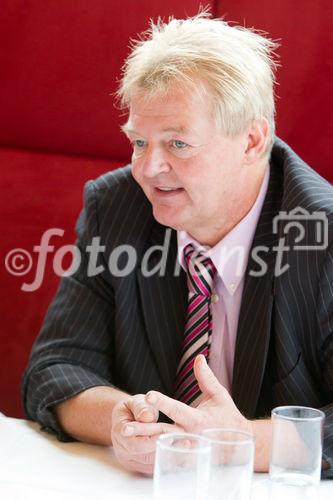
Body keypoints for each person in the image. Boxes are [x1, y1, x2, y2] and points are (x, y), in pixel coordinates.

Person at [22, 12, 333, 477]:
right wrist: (123, 421)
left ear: (251, 140)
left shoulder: (321, 233)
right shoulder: (116, 208)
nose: (148, 169)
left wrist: (243, 442)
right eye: (139, 142)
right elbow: (56, 367)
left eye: (178, 144)